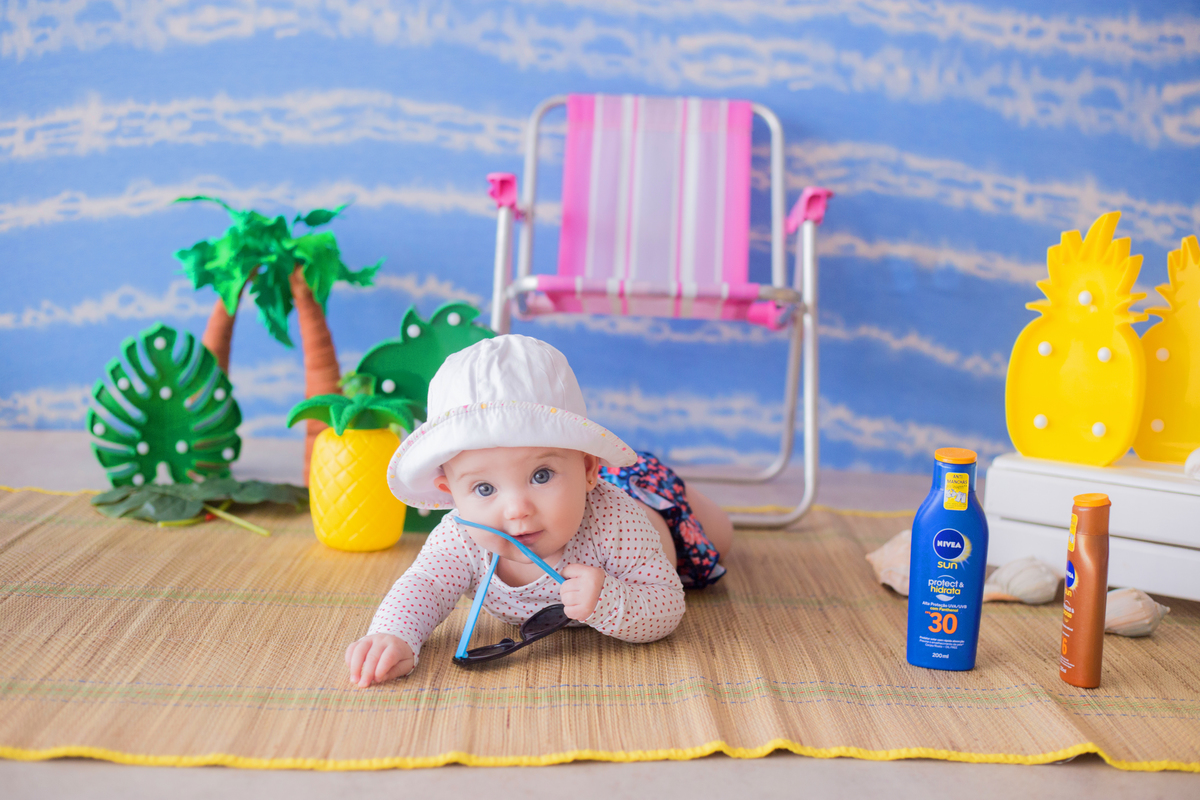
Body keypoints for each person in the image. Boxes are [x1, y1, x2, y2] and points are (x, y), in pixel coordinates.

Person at [346, 334, 733, 686]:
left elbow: (667, 607)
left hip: (649, 501)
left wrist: (609, 600)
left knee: (722, 535)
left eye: (541, 475)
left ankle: (679, 492)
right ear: (451, 494)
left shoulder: (615, 521)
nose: (517, 510)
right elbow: (426, 584)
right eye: (484, 488)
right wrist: (394, 634)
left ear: (587, 469)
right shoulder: (461, 536)